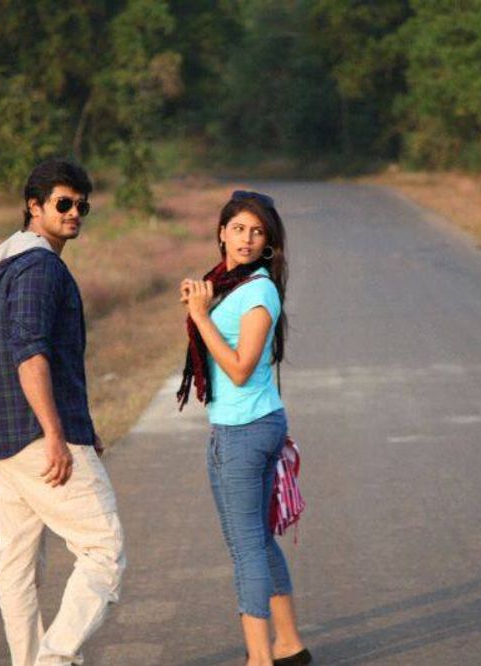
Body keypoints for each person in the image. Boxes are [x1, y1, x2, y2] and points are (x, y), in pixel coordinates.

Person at [0, 159, 125, 666]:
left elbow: (48, 359)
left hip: (3, 442)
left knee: (18, 568)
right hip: (37, 439)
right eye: (63, 203)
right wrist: (57, 434)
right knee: (104, 550)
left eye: (82, 205)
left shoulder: (9, 263)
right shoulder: (40, 267)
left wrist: (83, 425)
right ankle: (53, 660)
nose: (74, 213)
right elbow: (30, 352)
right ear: (33, 206)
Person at [177, 190, 311, 666]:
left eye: (257, 232)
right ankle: (289, 645)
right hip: (247, 425)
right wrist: (202, 304)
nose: (247, 239)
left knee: (246, 545)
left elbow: (237, 368)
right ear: (222, 233)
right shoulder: (228, 282)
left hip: (245, 430)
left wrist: (199, 316)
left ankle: (259, 658)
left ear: (268, 241)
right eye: (238, 229)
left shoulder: (257, 291)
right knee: (256, 538)